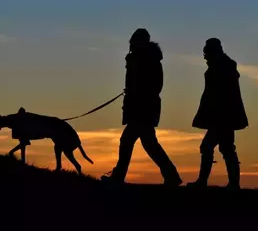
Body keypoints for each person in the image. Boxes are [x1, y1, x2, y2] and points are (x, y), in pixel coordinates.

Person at [101, 28, 182, 187]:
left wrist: (135, 91)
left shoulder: (146, 60)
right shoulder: (143, 59)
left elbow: (152, 86)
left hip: (142, 108)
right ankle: (171, 175)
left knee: (129, 141)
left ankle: (118, 177)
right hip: (142, 107)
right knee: (148, 144)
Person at [187, 38, 249, 190]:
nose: (204, 56)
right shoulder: (224, 66)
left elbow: (219, 94)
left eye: (206, 53)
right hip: (224, 116)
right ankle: (233, 183)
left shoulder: (221, 67)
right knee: (226, 148)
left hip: (221, 116)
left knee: (209, 146)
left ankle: (204, 181)